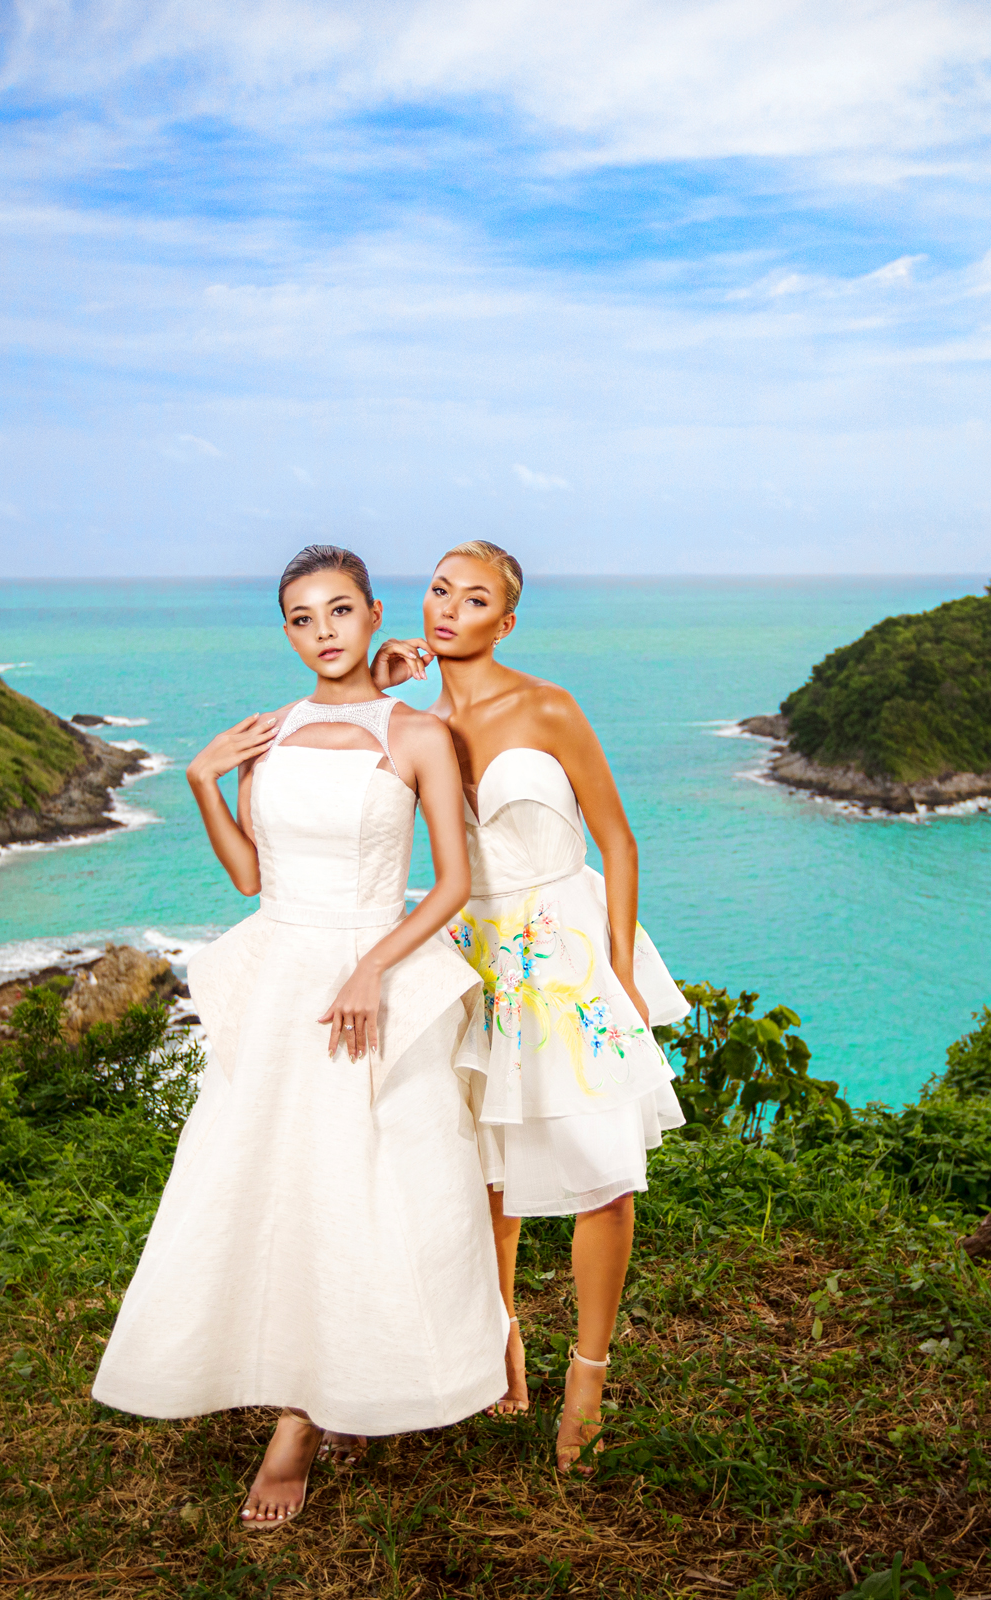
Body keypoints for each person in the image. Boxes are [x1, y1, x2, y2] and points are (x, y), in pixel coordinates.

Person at [91, 545, 507, 1528]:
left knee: (362, 1186)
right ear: (288, 631)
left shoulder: (416, 735)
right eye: (300, 617)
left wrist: (371, 968)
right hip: (279, 977)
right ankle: (306, 1380)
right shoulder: (267, 736)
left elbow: (448, 883)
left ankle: (305, 1422)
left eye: (339, 611)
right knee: (267, 1185)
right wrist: (200, 780)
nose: (322, 631)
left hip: (369, 972)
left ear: (371, 616)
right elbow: (248, 876)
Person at [373, 540, 690, 1475]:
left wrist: (623, 972)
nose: (449, 609)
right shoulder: (409, 726)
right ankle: (500, 1347)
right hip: (469, 957)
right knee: (485, 1179)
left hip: (565, 950)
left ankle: (586, 1379)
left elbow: (619, 841)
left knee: (604, 1170)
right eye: (439, 590)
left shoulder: (549, 706)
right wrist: (384, 692)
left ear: (503, 623)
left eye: (474, 600)